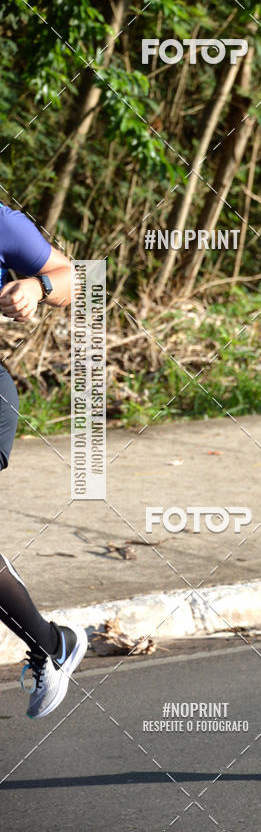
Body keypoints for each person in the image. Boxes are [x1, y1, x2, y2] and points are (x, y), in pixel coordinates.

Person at [0, 200, 88, 719]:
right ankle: (52, 642)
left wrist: (38, 286)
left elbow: (69, 276)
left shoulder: (3, 222)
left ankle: (54, 645)